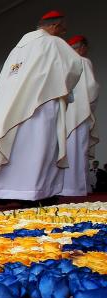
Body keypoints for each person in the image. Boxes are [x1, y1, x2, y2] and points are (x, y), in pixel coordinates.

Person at [0, 10, 83, 203]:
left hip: (12, 104)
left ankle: (0, 190)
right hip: (41, 103)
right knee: (39, 145)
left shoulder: (20, 46)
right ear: (54, 26)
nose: (63, 33)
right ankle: (35, 191)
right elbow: (75, 67)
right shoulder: (53, 43)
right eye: (62, 29)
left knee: (14, 143)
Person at [62, 35, 99, 196]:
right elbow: (92, 87)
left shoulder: (63, 64)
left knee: (66, 150)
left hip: (64, 112)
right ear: (82, 47)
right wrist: (90, 106)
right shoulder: (83, 61)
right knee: (78, 149)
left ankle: (64, 187)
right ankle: (77, 187)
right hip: (80, 111)